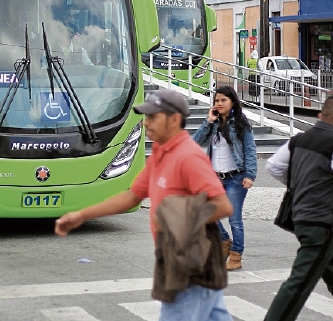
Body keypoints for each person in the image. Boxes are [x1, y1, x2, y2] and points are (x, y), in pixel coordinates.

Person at [55, 89, 233, 320]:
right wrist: (81, 215)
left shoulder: (187, 156)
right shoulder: (160, 153)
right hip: (175, 257)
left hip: (192, 265)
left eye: (153, 117)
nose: (146, 123)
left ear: (174, 119)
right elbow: (132, 196)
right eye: (145, 117)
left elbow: (222, 206)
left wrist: (176, 216)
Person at [264, 96, 333, 321]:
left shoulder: (299, 140)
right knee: (300, 282)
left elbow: (274, 167)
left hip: (302, 217)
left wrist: (300, 185)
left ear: (321, 115)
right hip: (323, 223)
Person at [192, 86, 257, 271]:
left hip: (236, 178)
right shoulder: (213, 123)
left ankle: (236, 255)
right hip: (214, 178)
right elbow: (195, 142)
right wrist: (208, 121)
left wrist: (250, 175)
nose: (219, 103)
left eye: (223, 100)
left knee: (234, 218)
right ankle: (223, 241)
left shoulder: (241, 123)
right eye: (217, 100)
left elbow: (250, 150)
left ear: (232, 102)